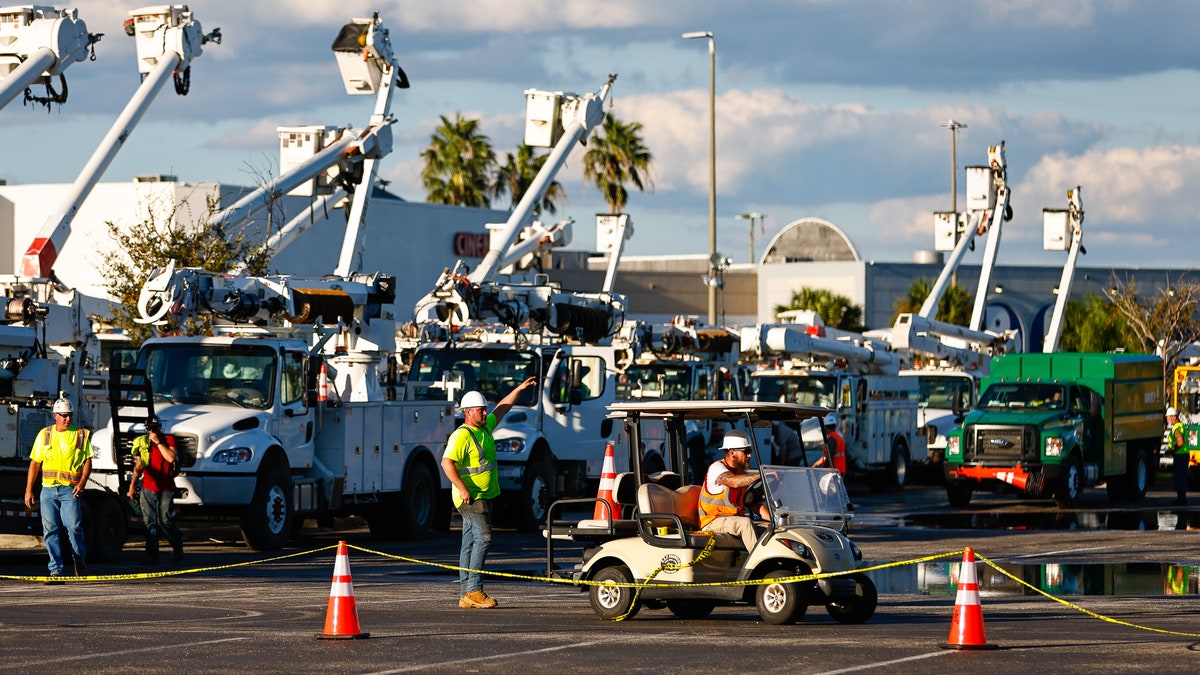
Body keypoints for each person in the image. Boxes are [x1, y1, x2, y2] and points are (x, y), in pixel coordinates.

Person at [441, 377, 537, 609]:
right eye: (481, 410)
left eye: (485, 410)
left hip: (483, 495)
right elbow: (446, 463)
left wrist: (519, 389)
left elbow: (502, 408)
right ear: (468, 412)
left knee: (470, 542)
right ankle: (474, 589)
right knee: (483, 538)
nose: (485, 414)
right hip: (471, 497)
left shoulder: (484, 429)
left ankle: (466, 593)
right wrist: (463, 489)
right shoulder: (461, 435)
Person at [24, 397, 92, 582]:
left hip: (70, 490)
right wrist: (29, 489)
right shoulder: (44, 434)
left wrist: (82, 482)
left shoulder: (80, 435)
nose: (67, 419)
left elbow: (87, 460)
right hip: (48, 491)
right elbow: (35, 463)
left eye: (69, 415)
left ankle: (79, 558)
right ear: (55, 416)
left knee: (73, 527)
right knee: (50, 530)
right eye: (63, 415)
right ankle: (56, 570)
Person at [698, 430, 768, 553]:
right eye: (746, 452)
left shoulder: (740, 473)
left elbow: (753, 504)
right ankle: (759, 565)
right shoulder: (717, 468)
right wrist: (763, 475)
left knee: (771, 528)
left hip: (732, 520)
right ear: (732, 453)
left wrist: (775, 520)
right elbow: (734, 482)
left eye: (750, 451)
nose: (749, 455)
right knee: (745, 524)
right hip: (712, 521)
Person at [127, 414, 184, 565]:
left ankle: (177, 544)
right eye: (150, 428)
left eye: (156, 428)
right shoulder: (143, 442)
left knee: (165, 520)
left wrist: (158, 443)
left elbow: (171, 457)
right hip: (148, 486)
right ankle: (151, 556)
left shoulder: (168, 440)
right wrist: (133, 485)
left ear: (160, 428)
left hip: (165, 486)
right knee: (149, 522)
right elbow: (138, 466)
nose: (153, 431)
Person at [1167, 407, 1187, 506]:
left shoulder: (1176, 428)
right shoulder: (1181, 425)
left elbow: (1180, 442)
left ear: (1174, 417)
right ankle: (1182, 498)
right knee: (1182, 477)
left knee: (1178, 478)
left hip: (1180, 456)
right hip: (1184, 455)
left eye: (1169, 417)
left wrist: (1172, 450)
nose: (1167, 419)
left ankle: (1181, 499)